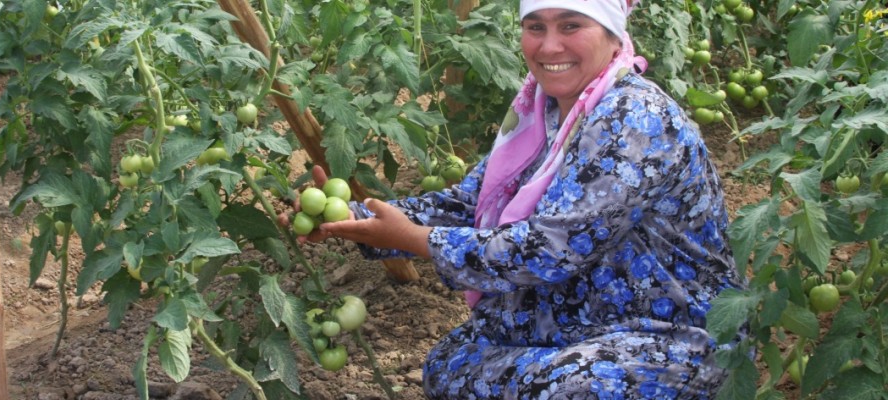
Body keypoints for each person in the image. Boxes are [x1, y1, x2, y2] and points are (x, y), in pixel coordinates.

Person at [286, 0, 746, 398]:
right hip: (576, 315)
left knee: (564, 389)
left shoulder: (637, 118)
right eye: (535, 27)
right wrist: (354, 217)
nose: (549, 47)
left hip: (668, 333)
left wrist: (418, 241)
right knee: (448, 368)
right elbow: (471, 202)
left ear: (611, 33)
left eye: (571, 25)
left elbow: (552, 248)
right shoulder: (542, 109)